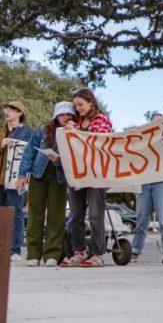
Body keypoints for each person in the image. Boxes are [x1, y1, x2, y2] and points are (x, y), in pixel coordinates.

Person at [16, 102, 75, 266]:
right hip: (38, 174)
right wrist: (22, 175)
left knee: (56, 216)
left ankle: (53, 254)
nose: (65, 117)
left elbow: (76, 158)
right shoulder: (43, 130)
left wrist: (59, 159)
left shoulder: (73, 133)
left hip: (60, 176)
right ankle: (33, 254)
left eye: (69, 115)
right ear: (56, 116)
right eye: (62, 115)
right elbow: (29, 152)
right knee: (35, 213)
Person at [60, 89, 113, 268]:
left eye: (81, 104)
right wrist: (69, 131)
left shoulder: (102, 121)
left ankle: (98, 253)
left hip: (97, 174)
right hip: (77, 174)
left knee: (96, 214)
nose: (78, 108)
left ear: (91, 103)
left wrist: (78, 134)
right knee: (75, 214)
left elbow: (101, 142)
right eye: (76, 105)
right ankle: (79, 251)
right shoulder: (75, 122)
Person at [0, 101, 33, 261]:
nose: (7, 112)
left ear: (19, 113)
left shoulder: (28, 133)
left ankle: (15, 250)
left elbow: (31, 155)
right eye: (6, 109)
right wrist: (1, 145)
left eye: (12, 110)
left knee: (16, 214)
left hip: (16, 180)